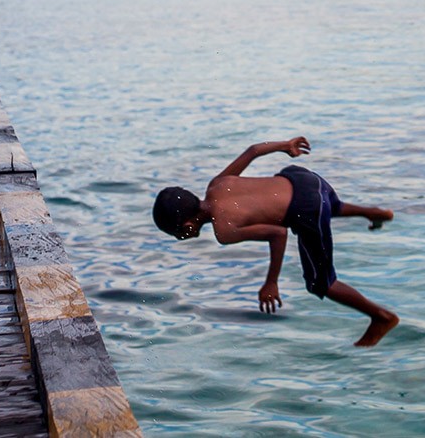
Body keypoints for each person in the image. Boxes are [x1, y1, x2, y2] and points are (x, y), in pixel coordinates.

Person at [153, 136, 399, 347]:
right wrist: (285, 145)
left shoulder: (224, 229)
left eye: (178, 235)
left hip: (308, 207)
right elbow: (252, 151)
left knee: (320, 283)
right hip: (304, 179)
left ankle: (381, 317)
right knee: (322, 205)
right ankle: (375, 213)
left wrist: (271, 283)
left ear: (187, 226)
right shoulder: (217, 185)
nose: (180, 238)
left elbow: (277, 234)